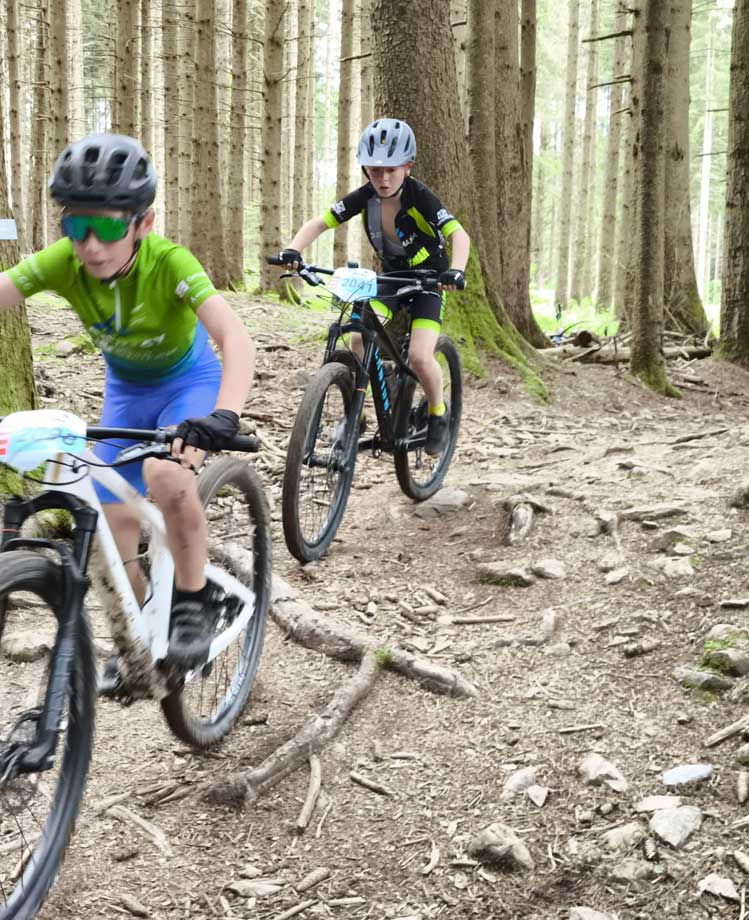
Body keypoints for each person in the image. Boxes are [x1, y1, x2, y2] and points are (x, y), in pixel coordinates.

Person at [0, 133, 255, 696]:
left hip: (188, 384)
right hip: (126, 392)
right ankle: (141, 636)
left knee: (167, 477)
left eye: (108, 227)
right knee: (110, 528)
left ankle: (193, 601)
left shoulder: (169, 262)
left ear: (143, 223)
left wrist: (225, 414)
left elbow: (233, 335)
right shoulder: (63, 262)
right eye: (76, 226)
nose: (91, 245)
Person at [278, 118, 470, 455]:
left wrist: (455, 271)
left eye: (391, 170)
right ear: (365, 169)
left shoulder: (420, 196)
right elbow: (320, 223)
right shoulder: (365, 196)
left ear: (407, 167)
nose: (383, 179)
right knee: (358, 337)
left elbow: (458, 234)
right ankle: (357, 411)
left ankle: (438, 413)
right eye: (375, 170)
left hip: (429, 281)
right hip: (391, 278)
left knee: (420, 356)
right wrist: (293, 249)